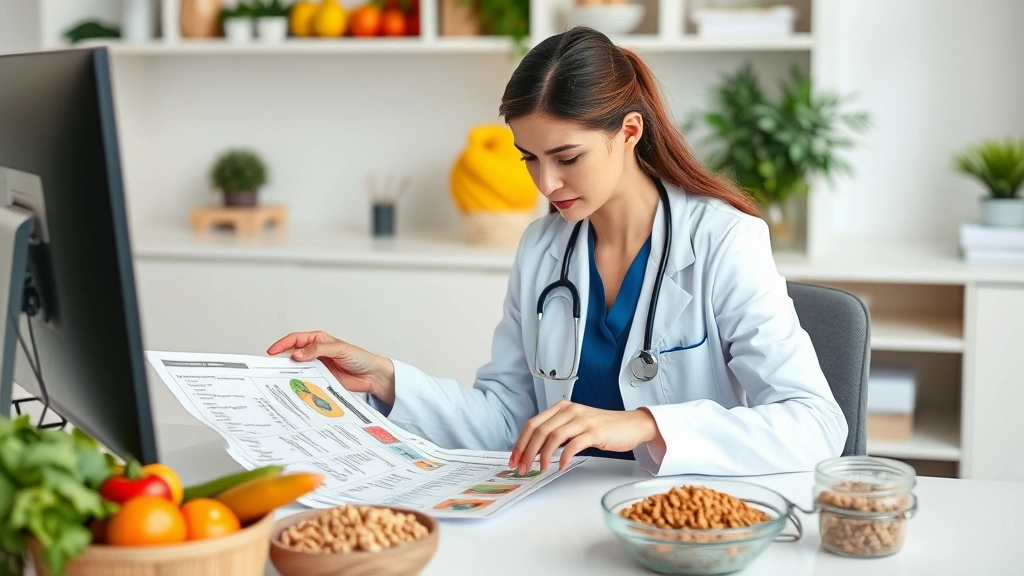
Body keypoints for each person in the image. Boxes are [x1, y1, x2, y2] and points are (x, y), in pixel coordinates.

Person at [268, 26, 848, 478]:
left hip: (673, 519)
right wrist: (387, 379)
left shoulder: (723, 240)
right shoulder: (544, 249)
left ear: (628, 132)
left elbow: (815, 424)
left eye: (567, 158)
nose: (545, 185)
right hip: (557, 514)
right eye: (529, 158)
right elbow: (506, 419)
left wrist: (642, 425)